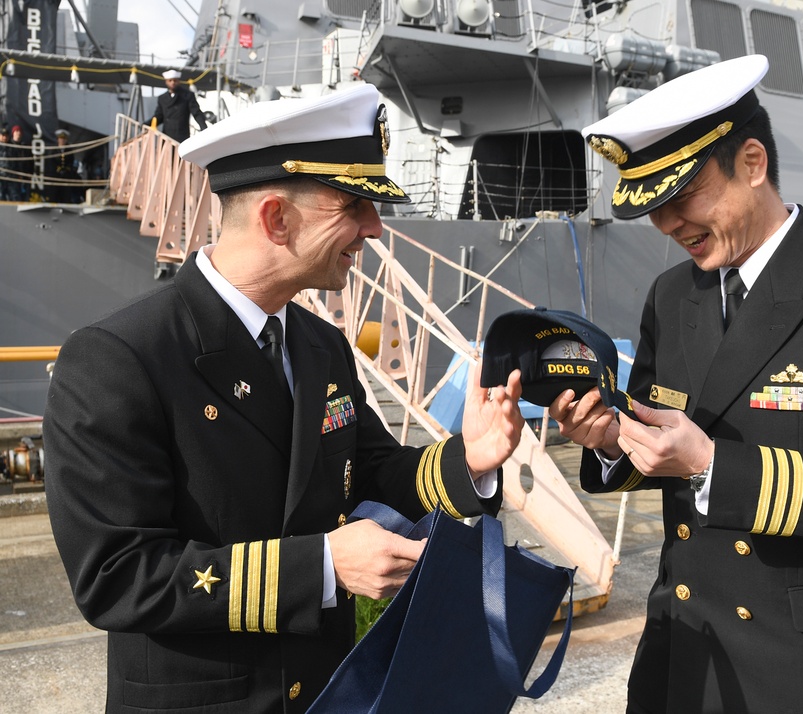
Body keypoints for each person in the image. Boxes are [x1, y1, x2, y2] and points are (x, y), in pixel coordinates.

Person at [43, 83, 525, 713]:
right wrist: (323, 567)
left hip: (326, 693)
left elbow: (372, 471)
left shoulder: (320, 345)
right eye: (355, 207)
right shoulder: (117, 359)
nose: (375, 229)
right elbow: (116, 576)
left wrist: (473, 458)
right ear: (276, 218)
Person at [548, 55, 803, 713]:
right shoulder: (672, 297)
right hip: (686, 653)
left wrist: (710, 465)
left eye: (681, 197)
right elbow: (656, 439)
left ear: (752, 164)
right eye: (653, 208)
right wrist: (611, 441)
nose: (668, 225)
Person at [150, 68, 209, 142]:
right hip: (167, 136)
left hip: (182, 136)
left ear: (179, 81)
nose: (173, 82)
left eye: (175, 80)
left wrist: (203, 128)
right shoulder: (162, 98)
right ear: (166, 82)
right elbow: (159, 116)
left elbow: (196, 112)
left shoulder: (187, 95)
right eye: (170, 80)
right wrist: (145, 124)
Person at [47, 128, 82, 203]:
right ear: (58, 140)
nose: (62, 140)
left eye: (64, 139)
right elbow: (51, 162)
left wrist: (66, 169)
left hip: (66, 176)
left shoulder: (69, 150)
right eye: (61, 139)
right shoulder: (53, 150)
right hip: (55, 176)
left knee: (66, 195)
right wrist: (57, 170)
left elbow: (70, 162)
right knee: (54, 195)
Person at [0, 125, 14, 201]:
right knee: (0, 195)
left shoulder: (12, 147)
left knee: (14, 196)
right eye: (3, 135)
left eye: (6, 135)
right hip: (0, 177)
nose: (4, 137)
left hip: (11, 177)